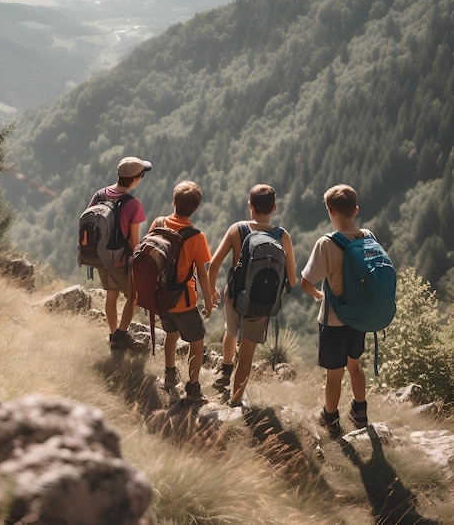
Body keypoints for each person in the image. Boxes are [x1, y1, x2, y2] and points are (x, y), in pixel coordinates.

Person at [209, 184, 297, 407]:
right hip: (261, 303)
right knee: (247, 356)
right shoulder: (282, 235)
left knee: (231, 332)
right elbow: (293, 280)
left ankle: (225, 370)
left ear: (250, 207)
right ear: (274, 208)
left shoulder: (237, 229)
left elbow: (214, 264)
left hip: (233, 297)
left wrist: (211, 292)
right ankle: (235, 402)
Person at [301, 184, 370, 437]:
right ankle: (360, 411)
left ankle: (330, 418)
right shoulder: (368, 237)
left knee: (334, 373)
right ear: (356, 210)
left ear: (331, 212)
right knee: (355, 364)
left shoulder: (326, 243)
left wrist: (319, 295)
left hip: (334, 319)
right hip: (360, 317)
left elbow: (306, 282)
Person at [151, 180, 214, 403]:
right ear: (195, 208)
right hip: (184, 300)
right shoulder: (196, 236)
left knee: (171, 334)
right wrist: (208, 301)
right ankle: (193, 387)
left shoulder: (158, 222)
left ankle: (169, 376)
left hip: (162, 296)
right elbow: (203, 273)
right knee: (197, 341)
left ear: (173, 201)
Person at [88, 156, 152, 351]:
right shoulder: (133, 204)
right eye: (141, 175)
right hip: (121, 261)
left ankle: (113, 332)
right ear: (135, 179)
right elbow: (134, 241)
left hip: (99, 257)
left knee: (111, 294)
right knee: (135, 297)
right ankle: (120, 336)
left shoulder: (99, 195)